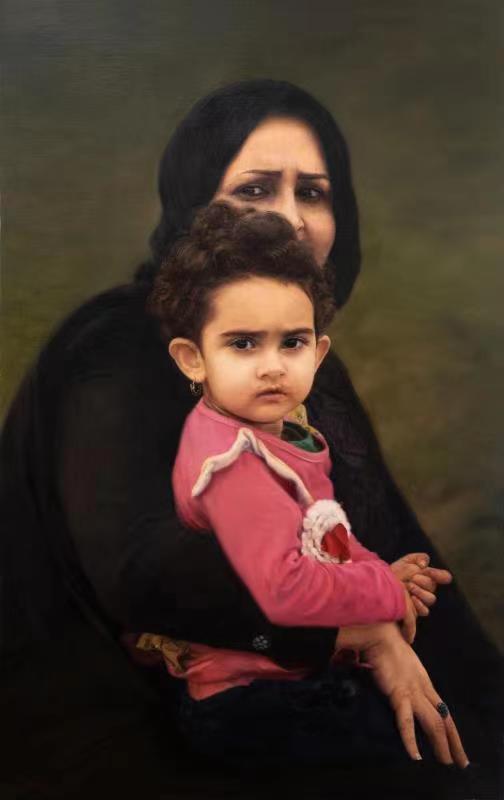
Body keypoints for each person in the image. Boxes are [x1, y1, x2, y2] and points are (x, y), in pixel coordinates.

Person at [0, 80, 500, 797]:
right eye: (256, 189)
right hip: (120, 727)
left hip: (301, 689)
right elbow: (148, 576)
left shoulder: (299, 371)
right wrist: (358, 630)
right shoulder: (114, 348)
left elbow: (378, 540)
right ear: (193, 204)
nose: (290, 218)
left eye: (314, 193)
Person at [140, 200, 467, 769]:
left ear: (317, 353)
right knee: (393, 756)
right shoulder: (231, 460)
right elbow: (288, 591)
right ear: (193, 358)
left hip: (296, 666)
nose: (272, 365)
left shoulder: (284, 431)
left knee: (445, 703)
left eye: (291, 342)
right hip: (244, 696)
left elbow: (328, 533)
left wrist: (380, 573)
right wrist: (387, 591)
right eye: (243, 344)